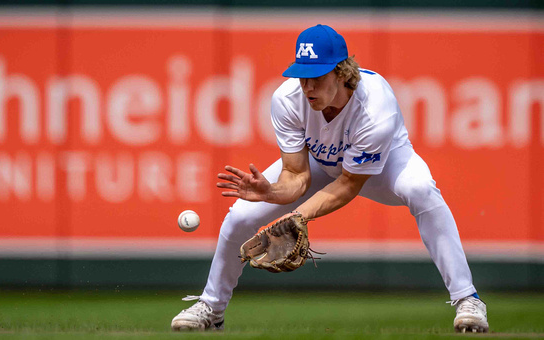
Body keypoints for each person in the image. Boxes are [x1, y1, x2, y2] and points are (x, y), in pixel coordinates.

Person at [171, 24, 489, 333]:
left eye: (316, 77)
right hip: (322, 162)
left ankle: (467, 298)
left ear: (342, 72)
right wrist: (270, 192)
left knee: (420, 189)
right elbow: (296, 174)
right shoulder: (287, 99)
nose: (307, 86)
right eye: (302, 76)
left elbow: (349, 183)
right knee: (240, 215)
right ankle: (211, 308)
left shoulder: (375, 107)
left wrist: (298, 217)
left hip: (385, 161)